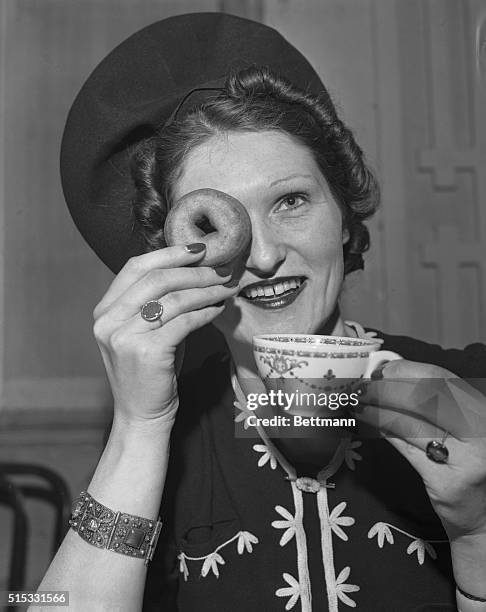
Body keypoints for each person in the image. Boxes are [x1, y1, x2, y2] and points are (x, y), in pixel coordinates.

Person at [34, 13, 486, 612]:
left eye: (291, 200)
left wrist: (478, 532)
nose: (267, 256)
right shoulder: (161, 443)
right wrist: (138, 430)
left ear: (344, 216)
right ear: (172, 256)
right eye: (221, 219)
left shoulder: (462, 395)